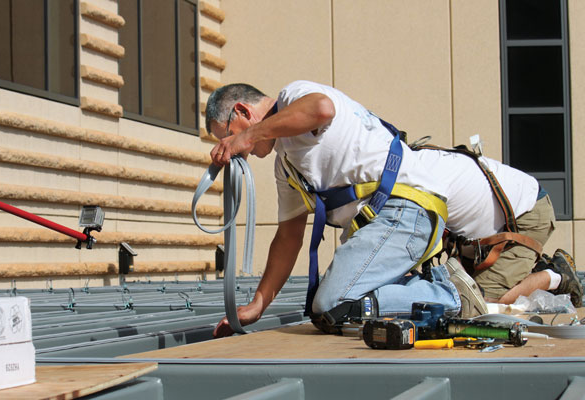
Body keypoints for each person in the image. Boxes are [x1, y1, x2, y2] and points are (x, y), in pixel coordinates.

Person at [205, 80, 579, 338]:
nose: (238, 148)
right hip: (393, 219)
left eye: (229, 134)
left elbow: (321, 108)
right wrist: (258, 304)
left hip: (408, 205)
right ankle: (457, 290)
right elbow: (288, 236)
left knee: (334, 304)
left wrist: (250, 135)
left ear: (242, 110)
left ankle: (451, 292)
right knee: (340, 307)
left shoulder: (294, 97)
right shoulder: (285, 164)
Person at [413, 148, 582, 308]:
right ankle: (526, 270)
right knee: (461, 292)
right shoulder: (413, 163)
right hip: (493, 226)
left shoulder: (417, 178)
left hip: (527, 214)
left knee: (481, 303)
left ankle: (557, 275)